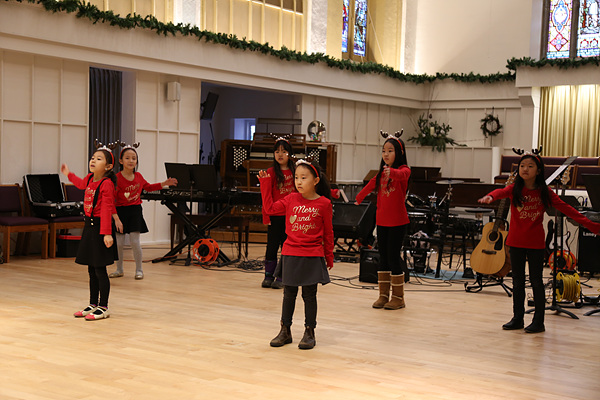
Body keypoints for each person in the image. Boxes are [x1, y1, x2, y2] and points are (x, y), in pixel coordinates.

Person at [478, 149, 600, 333]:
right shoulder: (514, 189)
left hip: (535, 243)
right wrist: (491, 196)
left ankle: (538, 322)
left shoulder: (545, 192)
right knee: (518, 282)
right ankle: (517, 318)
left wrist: (592, 225)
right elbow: (500, 191)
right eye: (522, 166)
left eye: (530, 166)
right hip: (515, 242)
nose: (525, 169)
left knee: (536, 282)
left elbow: (567, 209)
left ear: (538, 170)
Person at [258, 159, 334, 350]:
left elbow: (328, 232)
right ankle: (285, 330)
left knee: (309, 295)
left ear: (315, 180)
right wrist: (265, 185)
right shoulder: (290, 199)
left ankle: (309, 331)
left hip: (312, 254)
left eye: (303, 178)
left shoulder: (324, 203)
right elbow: (269, 209)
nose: (298, 182)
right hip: (290, 252)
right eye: (297, 178)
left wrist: (329, 255)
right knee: (289, 293)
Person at [61, 142, 119, 321]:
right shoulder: (89, 179)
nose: (93, 160)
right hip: (89, 227)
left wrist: (107, 233)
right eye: (93, 158)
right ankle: (93, 303)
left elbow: (107, 208)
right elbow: (79, 184)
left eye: (99, 159)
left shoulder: (106, 184)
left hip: (101, 228)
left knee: (100, 269)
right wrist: (68, 174)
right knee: (91, 269)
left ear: (108, 166)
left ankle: (104, 306)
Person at [355, 131, 411, 310]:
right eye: (384, 151)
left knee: (394, 258)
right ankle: (383, 295)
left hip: (398, 222)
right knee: (383, 258)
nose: (386, 154)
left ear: (399, 153)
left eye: (390, 151)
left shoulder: (404, 170)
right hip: (382, 222)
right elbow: (370, 185)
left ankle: (398, 298)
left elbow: (402, 175)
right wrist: (358, 198)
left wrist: (391, 172)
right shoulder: (381, 173)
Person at [109, 142, 178, 280]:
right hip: (120, 212)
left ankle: (139, 270)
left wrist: (164, 184)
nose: (131, 161)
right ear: (121, 161)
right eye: (127, 158)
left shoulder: (139, 176)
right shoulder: (116, 178)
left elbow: (148, 187)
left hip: (135, 211)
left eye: (134, 158)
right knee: (119, 243)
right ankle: (119, 269)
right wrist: (116, 218)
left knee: (135, 242)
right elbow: (111, 200)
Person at [261, 137, 296, 289]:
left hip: (291, 217)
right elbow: (266, 196)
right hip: (275, 216)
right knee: (272, 246)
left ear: (289, 153)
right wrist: (266, 216)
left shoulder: (296, 171)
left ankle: (282, 276)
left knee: (286, 247)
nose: (280, 154)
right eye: (277, 151)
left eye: (283, 151)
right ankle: (268, 275)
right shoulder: (270, 172)